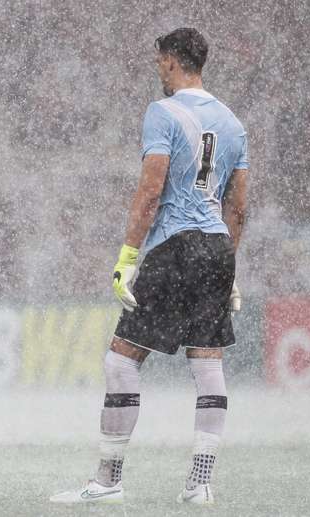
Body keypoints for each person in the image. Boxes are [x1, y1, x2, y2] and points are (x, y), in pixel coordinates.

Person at [51, 28, 248, 506]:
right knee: (207, 362)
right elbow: (237, 207)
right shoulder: (233, 123)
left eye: (160, 61)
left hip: (174, 246)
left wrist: (126, 258)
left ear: (176, 61)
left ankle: (108, 478)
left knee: (121, 360)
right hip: (217, 247)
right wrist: (231, 269)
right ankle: (200, 484)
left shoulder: (163, 113)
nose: (157, 69)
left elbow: (150, 191)